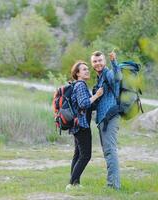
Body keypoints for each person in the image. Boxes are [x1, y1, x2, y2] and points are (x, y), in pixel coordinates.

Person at [66, 61, 103, 190]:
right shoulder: (80, 85)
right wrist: (97, 95)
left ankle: (75, 183)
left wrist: (95, 97)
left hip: (77, 125)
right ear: (77, 73)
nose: (87, 71)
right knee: (86, 155)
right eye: (84, 69)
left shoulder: (78, 85)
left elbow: (88, 105)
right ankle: (72, 183)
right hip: (81, 125)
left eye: (88, 69)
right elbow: (83, 104)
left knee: (78, 154)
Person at [90, 50, 122, 190]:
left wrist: (114, 61)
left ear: (104, 61)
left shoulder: (108, 73)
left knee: (110, 151)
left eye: (100, 61)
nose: (98, 63)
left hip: (110, 116)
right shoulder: (100, 77)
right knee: (107, 152)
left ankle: (113, 186)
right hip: (103, 119)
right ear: (92, 64)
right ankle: (112, 184)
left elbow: (117, 78)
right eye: (95, 61)